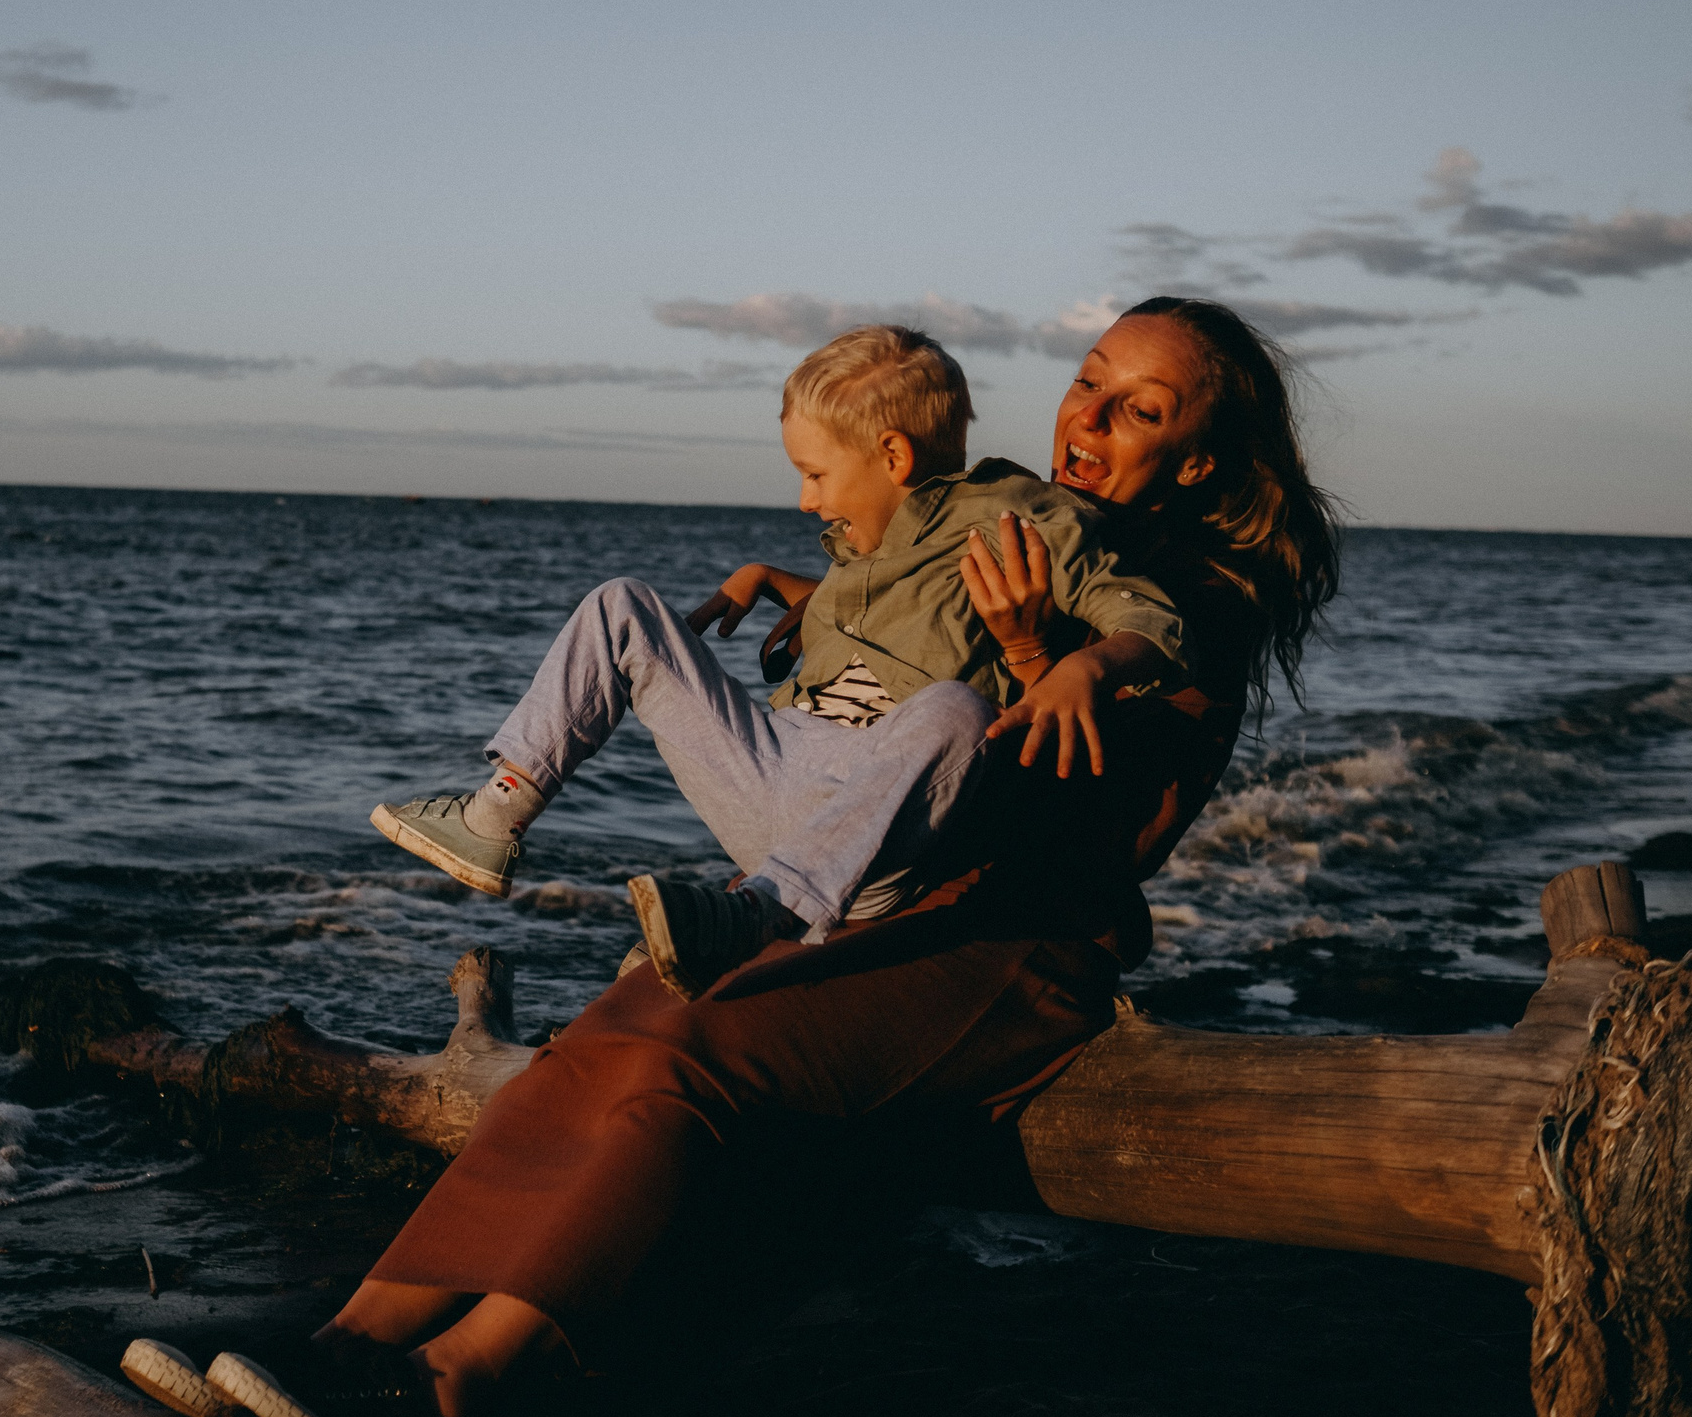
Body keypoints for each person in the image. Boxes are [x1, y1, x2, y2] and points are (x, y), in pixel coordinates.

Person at [152, 297, 1342, 1417]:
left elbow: (1101, 829)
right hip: (869, 884)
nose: (1087, 420)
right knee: (599, 1043)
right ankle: (347, 1345)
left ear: (1196, 461)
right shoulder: (1012, 522)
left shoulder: (1194, 605)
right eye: (1088, 384)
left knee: (694, 1056)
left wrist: (1036, 653)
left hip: (1002, 940)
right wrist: (814, 594)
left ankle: (459, 1379)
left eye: (1139, 410)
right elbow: (902, 616)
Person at [372, 321, 1193, 1000]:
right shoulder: (864, 545)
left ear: (894, 457)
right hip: (768, 766)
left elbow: (1151, 620)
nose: (806, 499)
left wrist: (1088, 666)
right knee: (624, 603)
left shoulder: (1018, 517)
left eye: (815, 474)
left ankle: (760, 915)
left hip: (877, 821)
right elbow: (890, 611)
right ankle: (495, 816)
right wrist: (767, 577)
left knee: (957, 709)